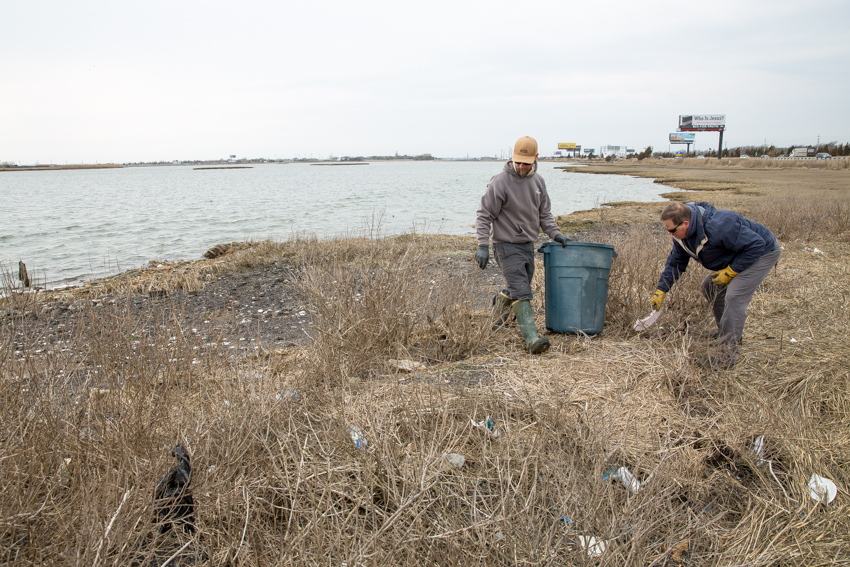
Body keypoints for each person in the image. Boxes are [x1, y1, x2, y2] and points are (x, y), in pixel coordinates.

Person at [651, 201, 780, 369]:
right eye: (666, 230)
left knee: (735, 296)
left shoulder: (720, 225)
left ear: (686, 223)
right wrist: (662, 289)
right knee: (709, 287)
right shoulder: (681, 237)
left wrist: (731, 271)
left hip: (762, 252)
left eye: (672, 230)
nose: (669, 234)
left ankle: (726, 355)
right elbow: (676, 263)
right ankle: (725, 333)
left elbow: (756, 245)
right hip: (739, 254)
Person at [475, 136, 569, 354]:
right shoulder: (500, 181)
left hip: (527, 244)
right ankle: (532, 339)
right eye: (518, 162)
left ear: (536, 159)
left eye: (526, 163)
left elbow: (544, 214)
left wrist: (556, 234)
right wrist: (482, 245)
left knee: (517, 286)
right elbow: (484, 214)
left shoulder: (539, 182)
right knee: (521, 290)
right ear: (513, 158)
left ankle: (493, 327)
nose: (521, 166)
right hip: (505, 244)